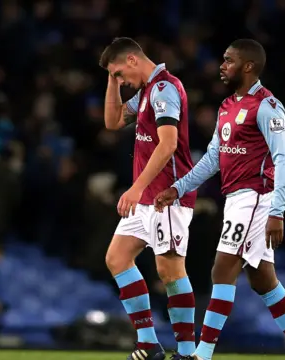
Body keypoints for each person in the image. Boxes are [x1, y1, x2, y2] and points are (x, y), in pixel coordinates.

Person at [154, 39, 285, 360]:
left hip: (257, 198)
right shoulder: (227, 106)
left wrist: (278, 211)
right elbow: (213, 158)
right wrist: (179, 187)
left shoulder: (267, 106)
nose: (222, 66)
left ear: (248, 67)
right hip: (236, 199)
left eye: (229, 60)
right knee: (262, 279)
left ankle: (201, 355)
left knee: (222, 270)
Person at [99, 37, 198, 360]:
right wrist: (111, 80)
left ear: (132, 60)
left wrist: (137, 187)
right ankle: (148, 344)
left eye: (119, 74)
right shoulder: (145, 92)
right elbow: (112, 122)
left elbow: (168, 144)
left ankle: (186, 352)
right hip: (146, 199)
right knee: (117, 258)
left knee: (170, 272)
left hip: (166, 196)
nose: (120, 81)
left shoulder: (164, 89)